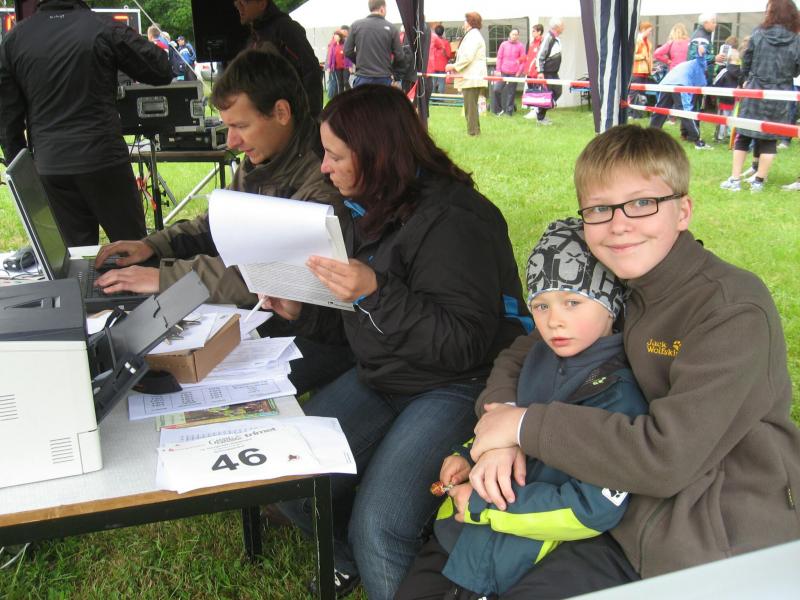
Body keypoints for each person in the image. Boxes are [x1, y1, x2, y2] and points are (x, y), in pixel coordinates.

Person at [466, 124, 800, 597]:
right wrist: (500, 419)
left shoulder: (731, 309)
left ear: (683, 211)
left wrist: (524, 427)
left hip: (713, 543)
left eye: (642, 203)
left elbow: (666, 457)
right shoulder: (618, 283)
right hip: (620, 512)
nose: (619, 224)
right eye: (599, 209)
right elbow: (524, 350)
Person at [263, 85, 530, 599]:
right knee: (292, 479)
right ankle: (348, 560)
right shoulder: (362, 207)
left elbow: (463, 344)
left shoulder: (455, 221)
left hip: (458, 384)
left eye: (336, 156)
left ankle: (391, 562)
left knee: (381, 527)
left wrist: (375, 292)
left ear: (377, 155)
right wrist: (302, 311)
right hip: (383, 375)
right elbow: (356, 323)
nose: (323, 167)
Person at [396, 218, 648, 600]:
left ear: (611, 305)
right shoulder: (536, 360)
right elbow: (503, 424)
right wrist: (467, 452)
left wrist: (483, 506)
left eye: (573, 302)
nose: (554, 320)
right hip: (458, 538)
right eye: (541, 305)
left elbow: (594, 506)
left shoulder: (619, 393)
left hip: (515, 557)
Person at [92, 50, 347, 394]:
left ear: (281, 112)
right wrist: (152, 246)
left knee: (197, 382)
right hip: (268, 314)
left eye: (240, 126)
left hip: (318, 333)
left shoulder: (323, 178)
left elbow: (272, 275)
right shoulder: (265, 160)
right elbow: (219, 224)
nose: (231, 142)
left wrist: (166, 279)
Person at [0, 0, 172, 247]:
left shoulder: (15, 38)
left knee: (72, 257)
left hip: (51, 165)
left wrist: (22, 171)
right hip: (104, 160)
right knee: (133, 250)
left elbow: (7, 119)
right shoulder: (101, 26)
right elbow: (161, 68)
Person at [720, 0, 800, 193]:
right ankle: (758, 182)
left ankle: (735, 180)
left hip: (755, 88)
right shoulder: (796, 39)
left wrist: (744, 79)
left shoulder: (758, 33)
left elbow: (746, 59)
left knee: (743, 135)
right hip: (780, 93)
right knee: (770, 139)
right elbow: (797, 69)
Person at [234, 0, 323, 119]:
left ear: (262, 3)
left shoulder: (285, 29)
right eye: (236, 4)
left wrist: (309, 116)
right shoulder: (254, 34)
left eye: (243, 3)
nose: (238, 7)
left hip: (291, 116)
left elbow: (310, 69)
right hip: (269, 116)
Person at [647, 53, 714, 150]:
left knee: (660, 110)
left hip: (667, 82)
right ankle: (698, 141)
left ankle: (650, 135)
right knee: (685, 112)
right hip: (679, 84)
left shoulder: (688, 65)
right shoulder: (700, 64)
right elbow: (700, 85)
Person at [344, 0, 404, 87]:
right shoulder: (392, 28)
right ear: (382, 9)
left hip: (363, 77)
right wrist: (395, 74)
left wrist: (361, 62)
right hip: (384, 78)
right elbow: (400, 56)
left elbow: (347, 51)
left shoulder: (356, 26)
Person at [445, 12, 487, 136]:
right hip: (471, 76)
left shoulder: (473, 36)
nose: (464, 22)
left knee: (470, 107)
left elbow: (468, 57)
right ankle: (475, 130)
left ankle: (473, 132)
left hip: (472, 77)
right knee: (471, 106)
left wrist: (454, 66)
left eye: (465, 20)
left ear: (470, 22)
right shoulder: (472, 35)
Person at [535, 17, 564, 126]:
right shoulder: (548, 38)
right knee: (547, 95)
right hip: (547, 72)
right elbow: (540, 56)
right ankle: (540, 116)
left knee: (558, 92)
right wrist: (540, 72)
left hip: (554, 72)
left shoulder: (556, 38)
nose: (564, 27)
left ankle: (541, 112)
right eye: (562, 25)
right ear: (557, 27)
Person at [491, 28, 525, 117]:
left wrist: (519, 72)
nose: (514, 36)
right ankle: (499, 110)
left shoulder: (520, 46)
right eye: (513, 34)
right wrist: (498, 70)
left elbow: (523, 61)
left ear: (518, 36)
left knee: (511, 93)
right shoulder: (503, 44)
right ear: (510, 34)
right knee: (496, 89)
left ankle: (509, 112)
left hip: (514, 73)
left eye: (516, 34)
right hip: (503, 72)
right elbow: (499, 58)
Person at [629, 21, 653, 118]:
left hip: (645, 71)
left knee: (641, 93)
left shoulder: (648, 42)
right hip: (637, 71)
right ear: (643, 30)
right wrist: (643, 57)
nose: (650, 33)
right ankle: (630, 113)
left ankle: (638, 113)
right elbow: (631, 55)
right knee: (634, 93)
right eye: (649, 31)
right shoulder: (638, 41)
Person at [522, 24, 544, 120]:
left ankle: (536, 110)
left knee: (536, 91)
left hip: (536, 72)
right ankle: (532, 110)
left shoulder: (542, 43)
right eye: (532, 31)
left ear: (539, 32)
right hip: (529, 72)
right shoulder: (531, 43)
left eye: (534, 31)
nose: (532, 33)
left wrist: (538, 71)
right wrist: (519, 60)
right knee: (531, 90)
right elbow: (528, 56)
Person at [428, 24, 451, 95]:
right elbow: (449, 55)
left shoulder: (431, 42)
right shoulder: (446, 42)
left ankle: (432, 97)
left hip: (433, 65)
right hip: (442, 66)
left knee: (433, 83)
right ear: (443, 32)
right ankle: (441, 98)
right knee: (441, 83)